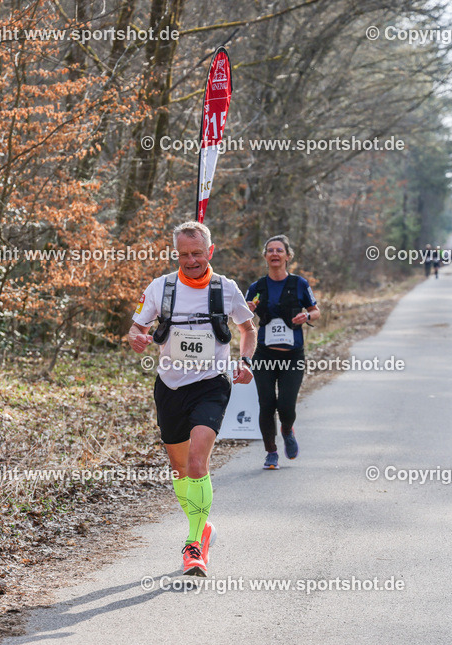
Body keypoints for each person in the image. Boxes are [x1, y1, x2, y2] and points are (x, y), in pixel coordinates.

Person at [128, 221, 256, 577]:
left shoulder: (225, 288)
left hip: (211, 384)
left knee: (198, 463)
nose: (191, 260)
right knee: (180, 469)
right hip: (169, 387)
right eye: (184, 254)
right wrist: (135, 337)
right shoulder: (161, 287)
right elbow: (136, 326)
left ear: (210, 251)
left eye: (197, 253)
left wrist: (245, 361)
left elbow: (248, 329)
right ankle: (203, 526)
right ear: (177, 254)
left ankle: (193, 545)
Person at [245, 235, 320, 470]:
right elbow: (241, 317)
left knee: (286, 406)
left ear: (288, 256)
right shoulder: (256, 288)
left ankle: (287, 429)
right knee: (266, 404)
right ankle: (271, 452)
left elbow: (316, 311)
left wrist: (307, 316)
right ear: (266, 256)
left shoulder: (299, 284)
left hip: (292, 356)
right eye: (270, 250)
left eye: (279, 250)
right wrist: (247, 310)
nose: (275, 254)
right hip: (264, 355)